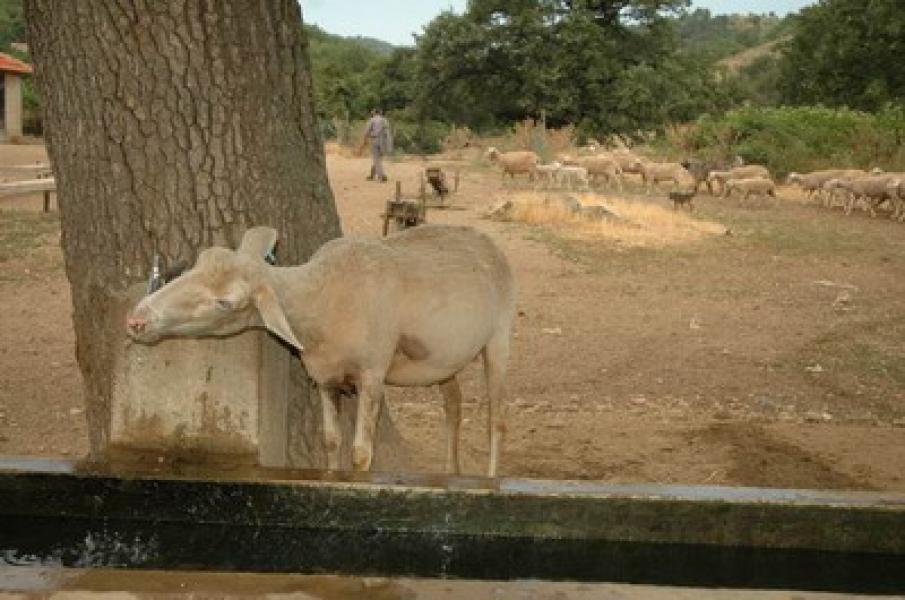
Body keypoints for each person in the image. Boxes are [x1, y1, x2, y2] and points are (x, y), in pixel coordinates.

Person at [361, 108, 392, 182]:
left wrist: (364, 141)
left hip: (375, 139)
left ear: (374, 113)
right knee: (378, 158)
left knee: (376, 159)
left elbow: (366, 131)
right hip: (383, 141)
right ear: (380, 112)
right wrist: (388, 144)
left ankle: (381, 176)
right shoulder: (385, 120)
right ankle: (372, 175)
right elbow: (388, 132)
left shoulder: (372, 120)